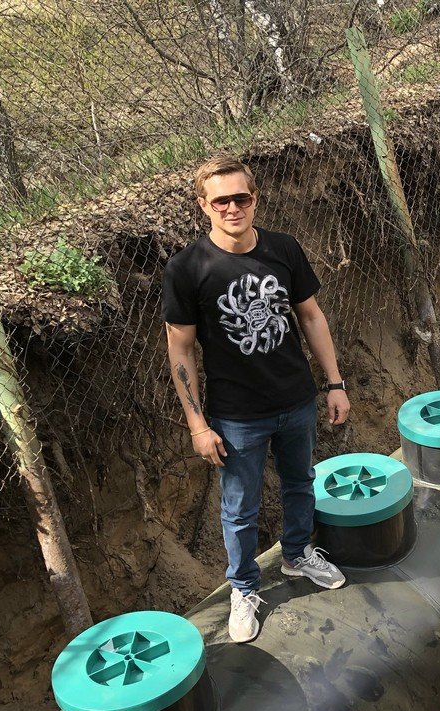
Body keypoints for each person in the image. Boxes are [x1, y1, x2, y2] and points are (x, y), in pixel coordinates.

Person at [162, 155, 349, 643]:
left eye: (241, 198)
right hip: (236, 415)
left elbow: (311, 316)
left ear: (255, 199)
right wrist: (198, 425)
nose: (232, 208)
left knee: (300, 482)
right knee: (239, 507)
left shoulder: (283, 248)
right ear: (203, 205)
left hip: (296, 399)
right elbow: (180, 349)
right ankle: (243, 588)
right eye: (220, 200)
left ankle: (297, 555)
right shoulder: (187, 268)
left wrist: (334, 383)